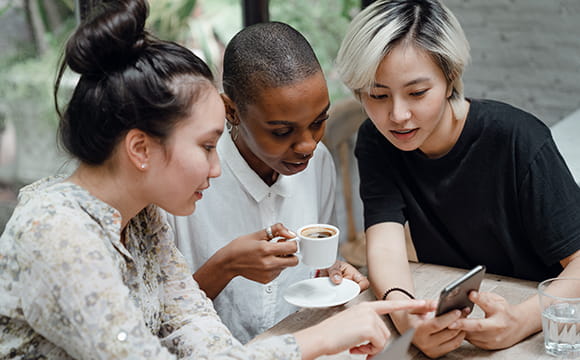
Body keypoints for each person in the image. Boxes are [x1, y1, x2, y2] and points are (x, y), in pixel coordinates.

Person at [0, 0, 437, 359]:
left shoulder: (143, 220)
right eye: (208, 147)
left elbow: (202, 339)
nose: (216, 166)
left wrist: (330, 334)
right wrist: (318, 339)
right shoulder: (56, 231)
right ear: (140, 149)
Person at [335, 0, 580, 358]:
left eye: (417, 93)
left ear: (450, 78)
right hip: (452, 311)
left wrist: (522, 320)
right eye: (377, 95)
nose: (398, 115)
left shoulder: (518, 138)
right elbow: (385, 245)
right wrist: (407, 319)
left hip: (546, 321)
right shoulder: (377, 140)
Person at [167, 21, 368, 344]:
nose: (308, 146)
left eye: (318, 122)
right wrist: (225, 266)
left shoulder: (319, 165)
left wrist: (332, 272)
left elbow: (317, 269)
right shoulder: (186, 183)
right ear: (230, 111)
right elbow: (158, 321)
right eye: (281, 132)